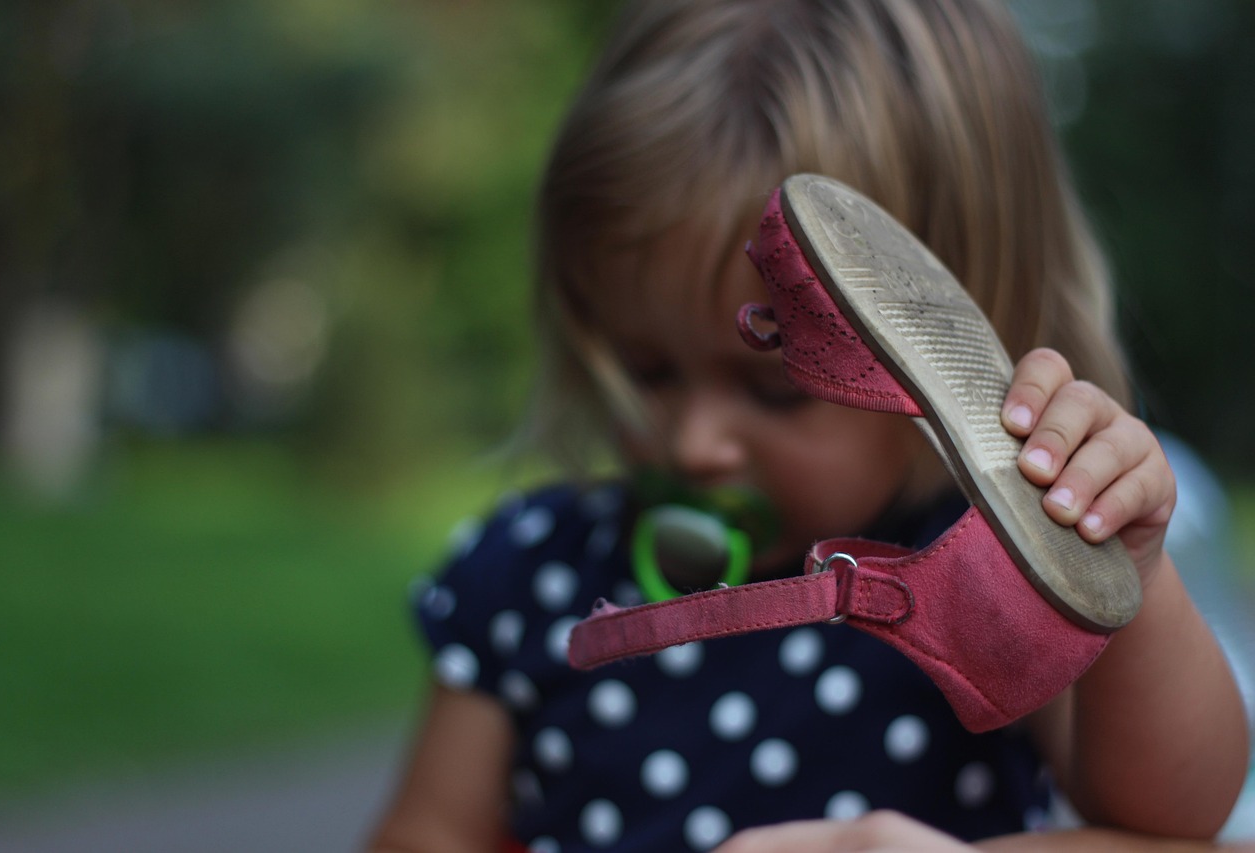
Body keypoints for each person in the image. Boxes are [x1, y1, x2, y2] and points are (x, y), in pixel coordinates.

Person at [369, 0, 1249, 849]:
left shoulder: (981, 569)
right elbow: (423, 832)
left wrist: (1117, 570)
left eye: (776, 391)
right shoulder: (534, 568)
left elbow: (1171, 816)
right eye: (647, 370)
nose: (693, 443)